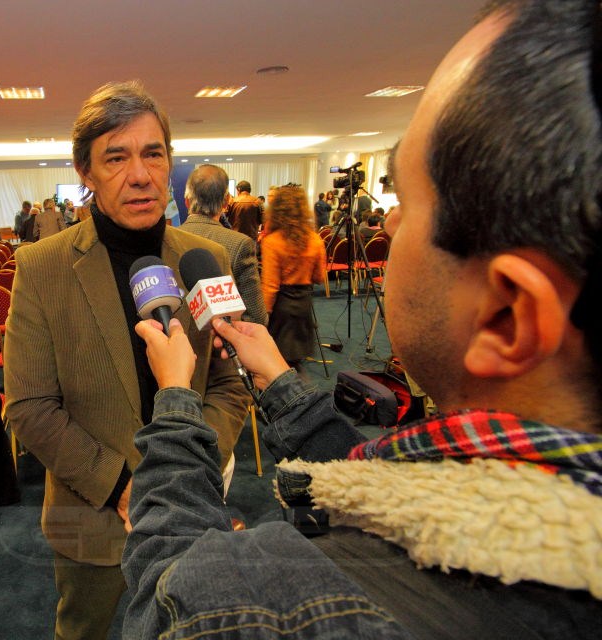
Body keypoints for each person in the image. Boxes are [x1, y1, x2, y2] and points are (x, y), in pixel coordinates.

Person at [122, 1, 602, 636]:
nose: (388, 224)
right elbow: (387, 492)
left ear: (507, 317)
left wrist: (177, 402)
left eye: (410, 202)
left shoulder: (291, 611)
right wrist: (285, 389)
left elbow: (163, 598)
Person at [4, 80, 249, 640]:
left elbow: (229, 384)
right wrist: (123, 486)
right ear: (85, 173)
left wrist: (186, 470)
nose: (140, 175)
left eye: (153, 154)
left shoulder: (206, 258)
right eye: (116, 158)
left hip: (191, 505)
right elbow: (30, 407)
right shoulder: (41, 267)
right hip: (91, 514)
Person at [180, 164, 267, 325]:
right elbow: (256, 317)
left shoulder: (167, 240)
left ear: (186, 201)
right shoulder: (240, 245)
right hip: (224, 338)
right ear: (226, 201)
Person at [260, 185, 326, 370]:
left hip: (281, 307)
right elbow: (319, 277)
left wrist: (263, 318)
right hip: (304, 303)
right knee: (295, 362)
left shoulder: (272, 241)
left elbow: (270, 286)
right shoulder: (315, 240)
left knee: (277, 363)